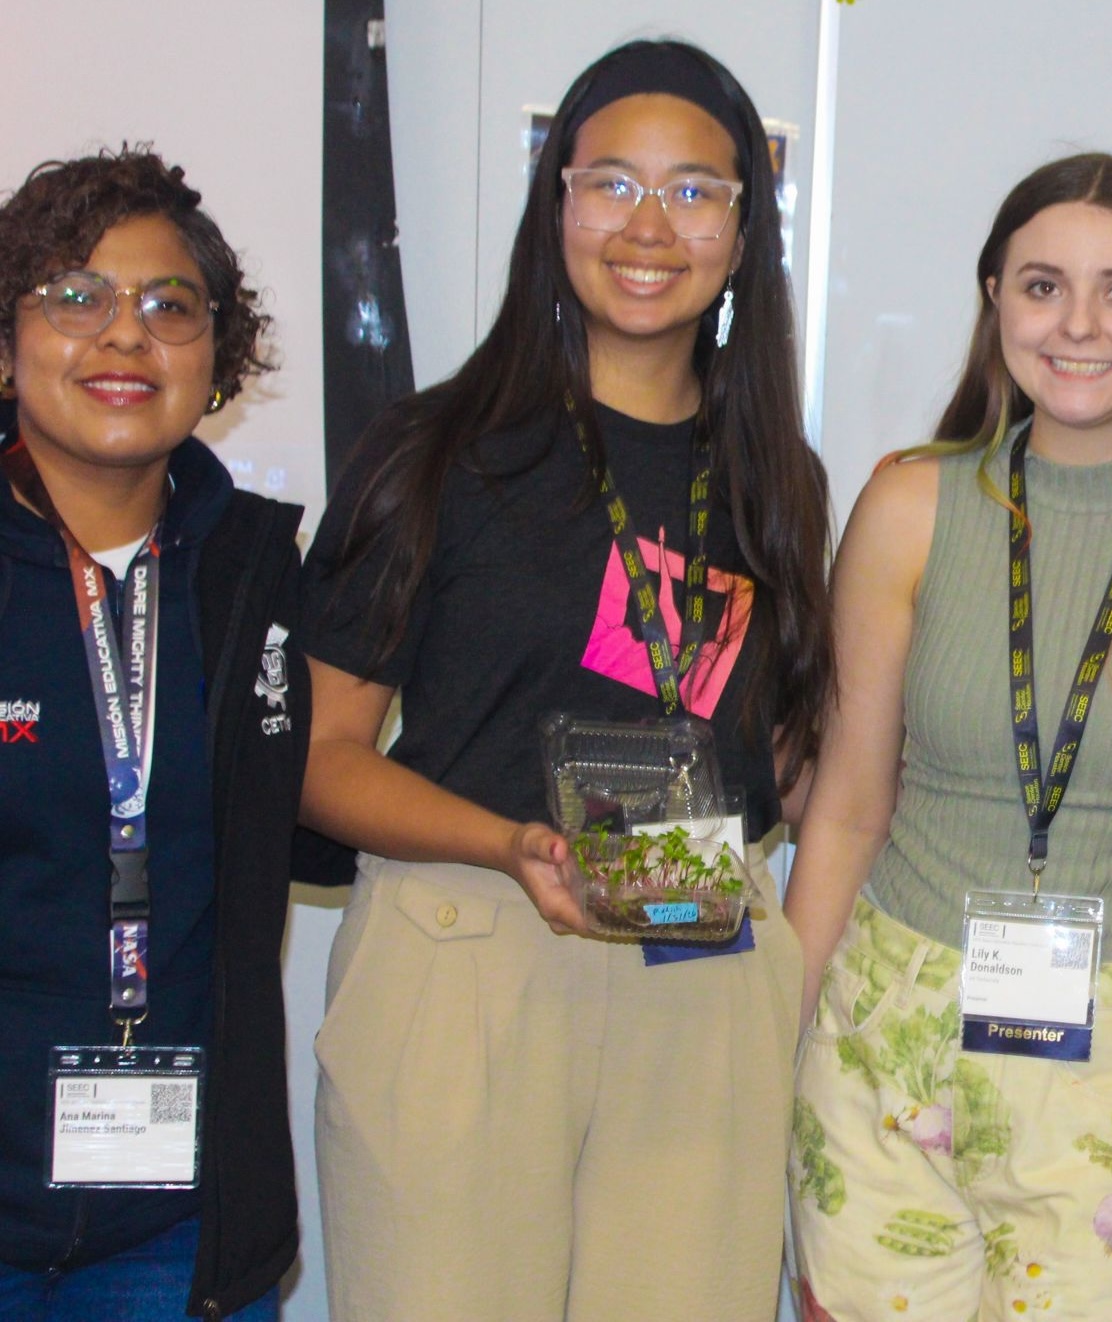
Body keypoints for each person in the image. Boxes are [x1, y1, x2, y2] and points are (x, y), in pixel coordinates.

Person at [299, 39, 833, 1322]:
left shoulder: (780, 481)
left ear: (747, 231)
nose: (651, 225)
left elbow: (789, 763)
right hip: (470, 944)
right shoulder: (434, 450)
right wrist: (512, 842)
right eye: (612, 183)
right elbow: (320, 759)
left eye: (696, 191)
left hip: (698, 958)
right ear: (557, 208)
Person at [785, 153, 1112, 1322]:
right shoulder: (909, 507)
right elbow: (844, 808)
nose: (1078, 324)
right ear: (994, 302)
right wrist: (766, 1049)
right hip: (884, 1042)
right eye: (1042, 286)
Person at [0, 147, 303, 1319]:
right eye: (75, 297)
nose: (125, 335)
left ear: (217, 358)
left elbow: (311, 804)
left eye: (169, 306)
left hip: (174, 1230)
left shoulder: (255, 574)